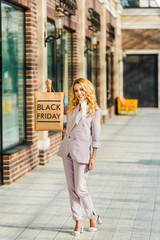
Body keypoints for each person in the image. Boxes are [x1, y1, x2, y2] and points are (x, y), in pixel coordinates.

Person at [57, 78, 102, 236]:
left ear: (88, 90)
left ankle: (93, 215)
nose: (79, 93)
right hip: (67, 151)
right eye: (76, 90)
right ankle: (78, 221)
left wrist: (93, 157)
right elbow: (54, 105)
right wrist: (49, 89)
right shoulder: (70, 107)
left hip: (83, 153)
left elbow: (96, 138)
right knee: (71, 189)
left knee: (80, 188)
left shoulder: (95, 111)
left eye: (82, 89)